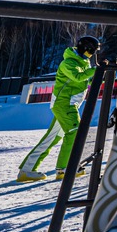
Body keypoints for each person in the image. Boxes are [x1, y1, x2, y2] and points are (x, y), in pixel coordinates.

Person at [17, 35, 100, 182]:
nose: (93, 54)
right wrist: (96, 70)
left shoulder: (83, 62)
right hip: (64, 104)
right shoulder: (69, 63)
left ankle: (27, 170)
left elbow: (88, 78)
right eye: (92, 51)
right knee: (74, 132)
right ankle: (64, 169)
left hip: (68, 104)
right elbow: (78, 77)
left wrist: (102, 73)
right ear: (85, 48)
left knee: (52, 138)